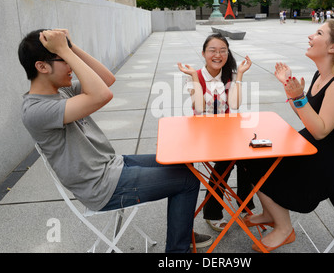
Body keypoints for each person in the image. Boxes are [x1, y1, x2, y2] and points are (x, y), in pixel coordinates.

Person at [18, 29, 212, 253]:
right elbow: (102, 95)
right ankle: (178, 252)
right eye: (64, 59)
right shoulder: (35, 110)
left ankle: (182, 230)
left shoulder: (60, 91)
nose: (72, 64)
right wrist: (62, 49)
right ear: (42, 67)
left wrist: (69, 47)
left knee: (181, 162)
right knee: (187, 180)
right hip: (100, 186)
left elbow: (107, 80)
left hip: (112, 165)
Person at [239, 19, 334, 252]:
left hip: (333, 161)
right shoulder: (319, 75)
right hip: (313, 146)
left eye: (319, 33)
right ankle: (269, 214)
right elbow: (308, 117)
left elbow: (320, 131)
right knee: (250, 155)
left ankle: (284, 229)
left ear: (333, 47)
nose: (310, 37)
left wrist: (299, 97)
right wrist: (292, 92)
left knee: (263, 164)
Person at [177, 33, 254, 232]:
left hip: (227, 131)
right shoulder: (196, 75)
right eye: (212, 50)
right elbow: (200, 109)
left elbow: (235, 104)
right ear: (203, 53)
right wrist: (194, 76)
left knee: (249, 156)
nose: (218, 54)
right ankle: (213, 211)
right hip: (202, 133)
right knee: (227, 160)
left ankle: (245, 205)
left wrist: (240, 76)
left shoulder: (229, 75)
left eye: (223, 50)